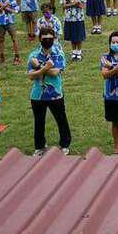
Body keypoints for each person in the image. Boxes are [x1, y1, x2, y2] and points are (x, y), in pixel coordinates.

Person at [26, 26, 71, 155]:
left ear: (54, 39)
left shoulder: (58, 53)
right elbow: (31, 76)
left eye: (50, 38)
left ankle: (65, 144)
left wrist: (39, 67)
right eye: (44, 38)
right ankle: (39, 146)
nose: (47, 40)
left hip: (55, 94)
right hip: (37, 94)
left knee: (61, 119)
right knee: (39, 121)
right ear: (40, 39)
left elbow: (55, 72)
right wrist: (46, 68)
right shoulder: (33, 55)